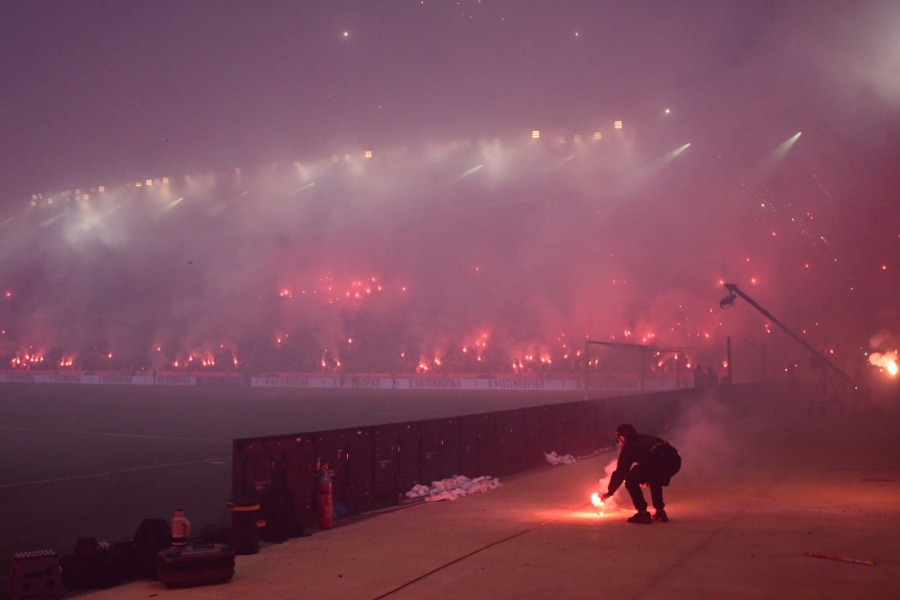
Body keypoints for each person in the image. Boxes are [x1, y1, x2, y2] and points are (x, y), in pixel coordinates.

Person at [600, 424, 681, 524]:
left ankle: (642, 513)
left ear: (622, 437)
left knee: (630, 479)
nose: (619, 441)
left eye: (619, 438)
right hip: (674, 461)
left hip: (658, 462)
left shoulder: (629, 446)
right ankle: (660, 511)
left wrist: (610, 492)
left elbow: (621, 471)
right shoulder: (646, 438)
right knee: (654, 478)